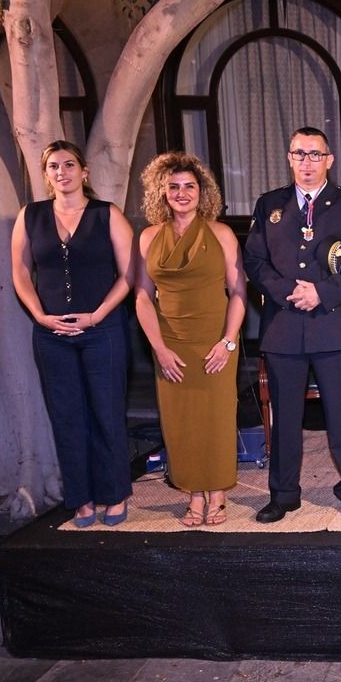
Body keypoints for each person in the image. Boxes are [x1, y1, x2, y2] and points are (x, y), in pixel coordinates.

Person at [244, 127, 341, 523]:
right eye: (299, 153)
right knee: (284, 418)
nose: (307, 162)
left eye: (315, 154)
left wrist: (322, 292)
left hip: (334, 326)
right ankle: (283, 495)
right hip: (284, 327)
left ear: (329, 160)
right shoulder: (270, 204)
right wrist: (288, 291)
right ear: (289, 158)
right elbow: (254, 261)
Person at [10, 140, 134, 527]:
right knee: (66, 417)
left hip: (103, 330)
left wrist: (97, 315)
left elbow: (129, 274)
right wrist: (40, 316)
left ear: (84, 171)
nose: (61, 172)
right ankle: (81, 498)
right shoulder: (30, 216)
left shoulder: (107, 214)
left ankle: (115, 494)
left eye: (68, 164)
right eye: (53, 166)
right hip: (52, 336)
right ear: (46, 175)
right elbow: (20, 272)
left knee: (107, 412)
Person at [135, 152, 247, 528]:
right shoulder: (149, 237)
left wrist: (228, 342)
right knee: (180, 421)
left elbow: (239, 292)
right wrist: (159, 349)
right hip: (169, 343)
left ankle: (217, 495)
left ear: (203, 191)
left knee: (216, 418)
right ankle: (194, 495)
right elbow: (142, 297)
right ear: (162, 192)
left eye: (190, 186)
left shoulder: (221, 234)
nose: (182, 193)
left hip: (215, 340)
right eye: (174, 187)